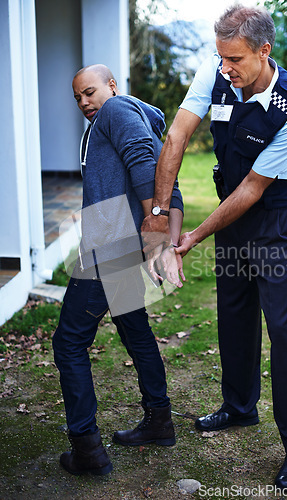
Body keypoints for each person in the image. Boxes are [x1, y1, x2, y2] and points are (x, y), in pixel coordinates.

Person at [141, 4, 287, 490]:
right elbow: (175, 136)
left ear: (264, 52)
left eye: (235, 59)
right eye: (220, 57)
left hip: (275, 219)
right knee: (234, 313)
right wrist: (158, 219)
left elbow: (253, 189)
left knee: (281, 328)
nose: (226, 68)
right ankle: (240, 407)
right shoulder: (215, 70)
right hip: (233, 215)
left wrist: (193, 235)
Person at [52, 64, 185, 476]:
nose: (84, 102)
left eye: (89, 92)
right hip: (120, 243)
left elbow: (144, 165)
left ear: (111, 85)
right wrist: (167, 240)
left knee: (68, 342)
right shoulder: (133, 117)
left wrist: (157, 233)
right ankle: (159, 421)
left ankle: (88, 450)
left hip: (110, 247)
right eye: (77, 97)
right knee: (134, 328)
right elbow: (170, 183)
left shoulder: (116, 111)